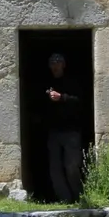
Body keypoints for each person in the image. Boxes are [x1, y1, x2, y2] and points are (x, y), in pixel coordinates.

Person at [36, 52, 87, 201]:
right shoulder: (46, 84)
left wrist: (62, 98)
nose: (55, 65)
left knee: (72, 167)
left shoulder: (73, 82)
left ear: (63, 65)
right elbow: (39, 105)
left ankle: (78, 197)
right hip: (53, 131)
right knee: (54, 169)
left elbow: (80, 102)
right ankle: (65, 199)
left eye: (58, 62)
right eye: (52, 62)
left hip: (72, 131)